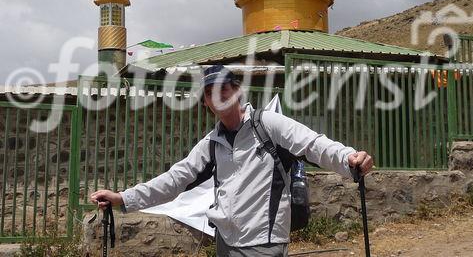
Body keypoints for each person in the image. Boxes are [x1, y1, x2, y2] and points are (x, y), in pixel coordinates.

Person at [91, 65, 373, 257]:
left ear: (237, 91)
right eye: (211, 92)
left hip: (265, 243)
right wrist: (123, 198)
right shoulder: (211, 144)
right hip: (225, 243)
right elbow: (174, 180)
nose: (219, 94)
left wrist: (348, 158)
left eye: (225, 87)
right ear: (206, 103)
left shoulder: (268, 125)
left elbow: (312, 144)